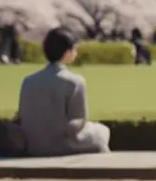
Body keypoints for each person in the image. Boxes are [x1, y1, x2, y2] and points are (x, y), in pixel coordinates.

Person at [15, 27, 110, 156]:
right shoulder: (75, 81)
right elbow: (79, 121)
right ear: (67, 53)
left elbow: (21, 116)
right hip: (64, 146)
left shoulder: (28, 81)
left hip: (33, 146)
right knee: (102, 131)